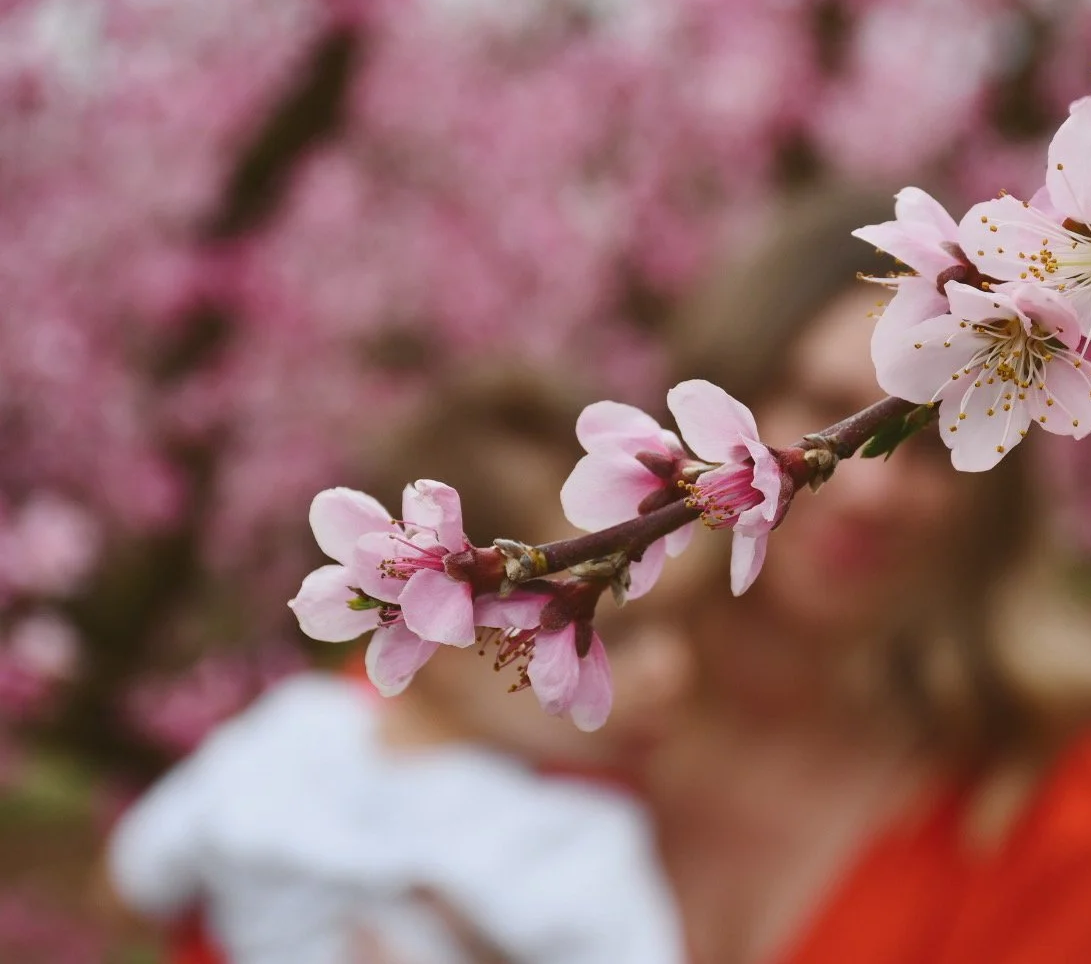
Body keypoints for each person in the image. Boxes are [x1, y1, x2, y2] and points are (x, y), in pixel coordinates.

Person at [649, 196, 1091, 964]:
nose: (870, 490)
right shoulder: (556, 724)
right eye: (825, 410)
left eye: (930, 444)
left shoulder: (1064, 789)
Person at [106, 378, 692, 964]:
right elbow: (133, 882)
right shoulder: (298, 729)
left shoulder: (587, 837)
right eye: (612, 631)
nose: (671, 668)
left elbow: (133, 878)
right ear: (441, 624)